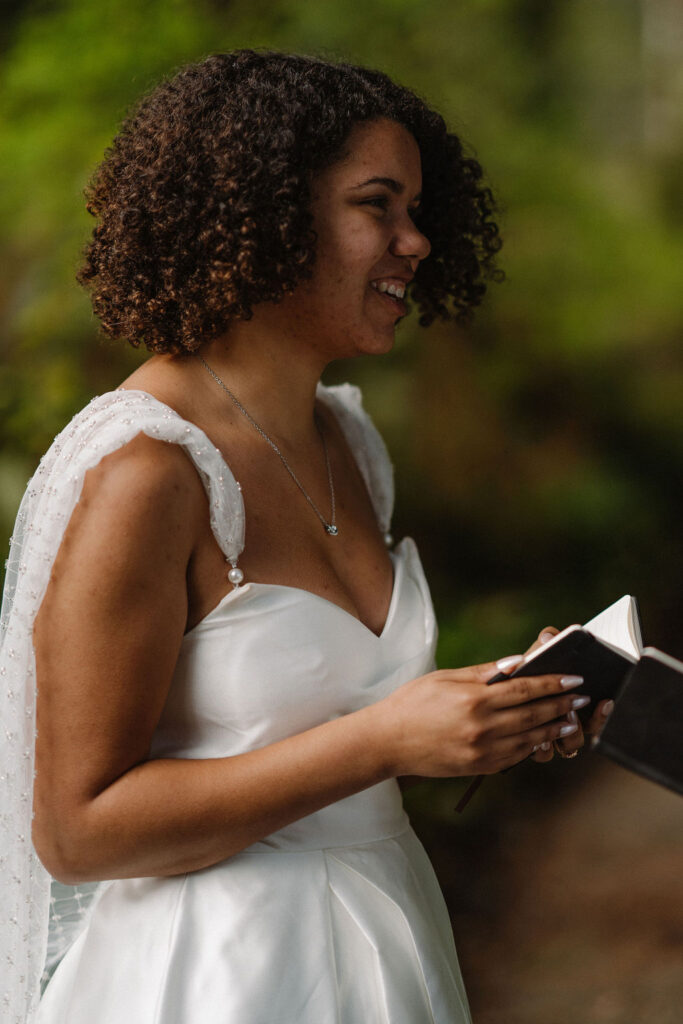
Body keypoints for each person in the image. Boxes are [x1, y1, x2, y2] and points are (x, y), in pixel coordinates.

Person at [0, 50, 609, 1024]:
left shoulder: (347, 437)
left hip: (384, 941)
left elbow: (323, 713)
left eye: (416, 210)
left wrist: (491, 710)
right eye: (379, 205)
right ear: (264, 211)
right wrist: (379, 740)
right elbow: (76, 832)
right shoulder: (146, 470)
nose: (414, 240)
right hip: (214, 975)